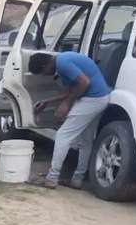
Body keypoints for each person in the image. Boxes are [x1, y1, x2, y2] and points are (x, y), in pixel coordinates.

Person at [28, 51, 111, 189]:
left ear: (45, 65)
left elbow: (84, 83)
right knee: (86, 140)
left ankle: (52, 178)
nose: (46, 76)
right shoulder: (62, 61)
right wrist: (47, 101)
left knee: (63, 135)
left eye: (43, 73)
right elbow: (71, 89)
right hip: (100, 98)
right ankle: (77, 179)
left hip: (92, 99)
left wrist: (66, 104)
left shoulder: (62, 63)